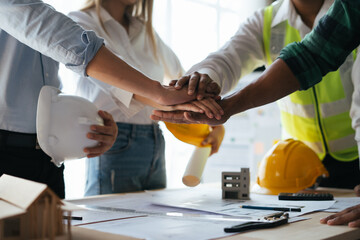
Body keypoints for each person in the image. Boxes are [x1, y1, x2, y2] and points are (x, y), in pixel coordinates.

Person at [152, 0, 360, 227]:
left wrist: (228, 105)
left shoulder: (349, 11)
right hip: (296, 167)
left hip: (354, 159)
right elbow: (229, 58)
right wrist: (202, 81)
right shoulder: (267, 21)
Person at [0, 0, 221, 199]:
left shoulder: (145, 31)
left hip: (52, 154)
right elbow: (81, 52)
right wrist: (161, 95)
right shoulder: (77, 20)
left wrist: (200, 102)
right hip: (14, 152)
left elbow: (47, 96)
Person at [68, 0, 225, 195]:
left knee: (153, 222)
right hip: (114, 140)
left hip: (155, 140)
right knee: (111, 223)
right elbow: (123, 87)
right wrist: (181, 102)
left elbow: (183, 80)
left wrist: (213, 121)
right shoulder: (79, 22)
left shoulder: (145, 31)